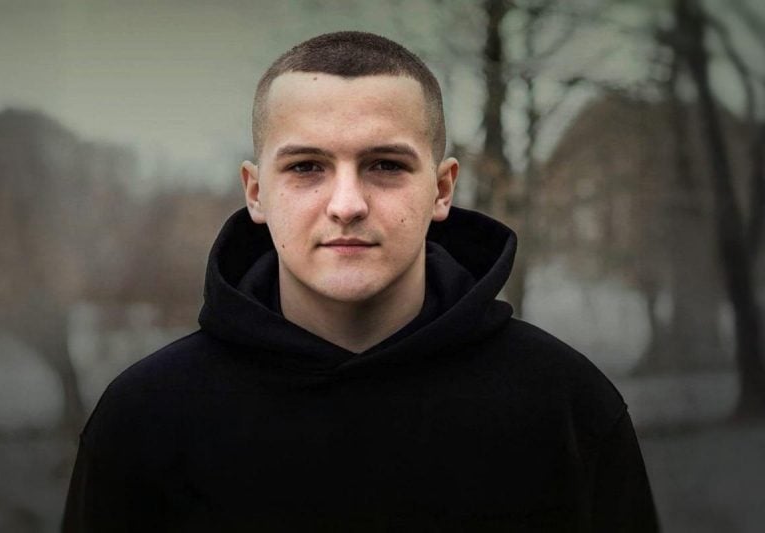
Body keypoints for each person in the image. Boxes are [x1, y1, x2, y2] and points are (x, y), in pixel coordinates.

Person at [63, 31, 658, 532]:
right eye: (306, 167)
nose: (346, 204)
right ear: (256, 192)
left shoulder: (565, 405)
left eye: (385, 165)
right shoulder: (145, 418)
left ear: (442, 190)